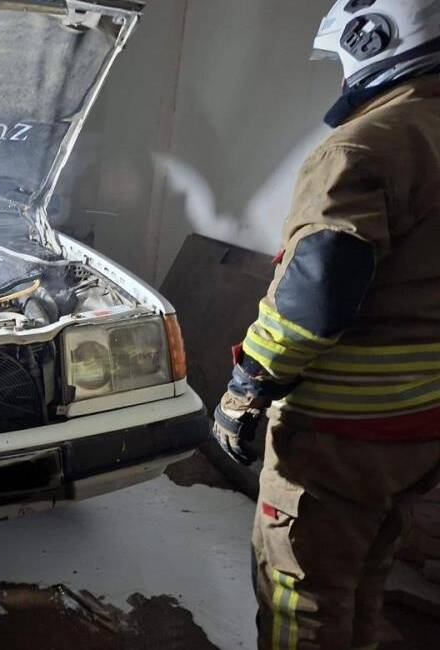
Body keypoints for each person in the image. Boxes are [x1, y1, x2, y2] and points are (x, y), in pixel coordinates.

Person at [212, 1, 440, 648]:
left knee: (300, 596)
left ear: (371, 44)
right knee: (366, 573)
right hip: (421, 425)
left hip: (341, 435)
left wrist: (247, 386)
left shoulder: (364, 146)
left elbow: (314, 294)